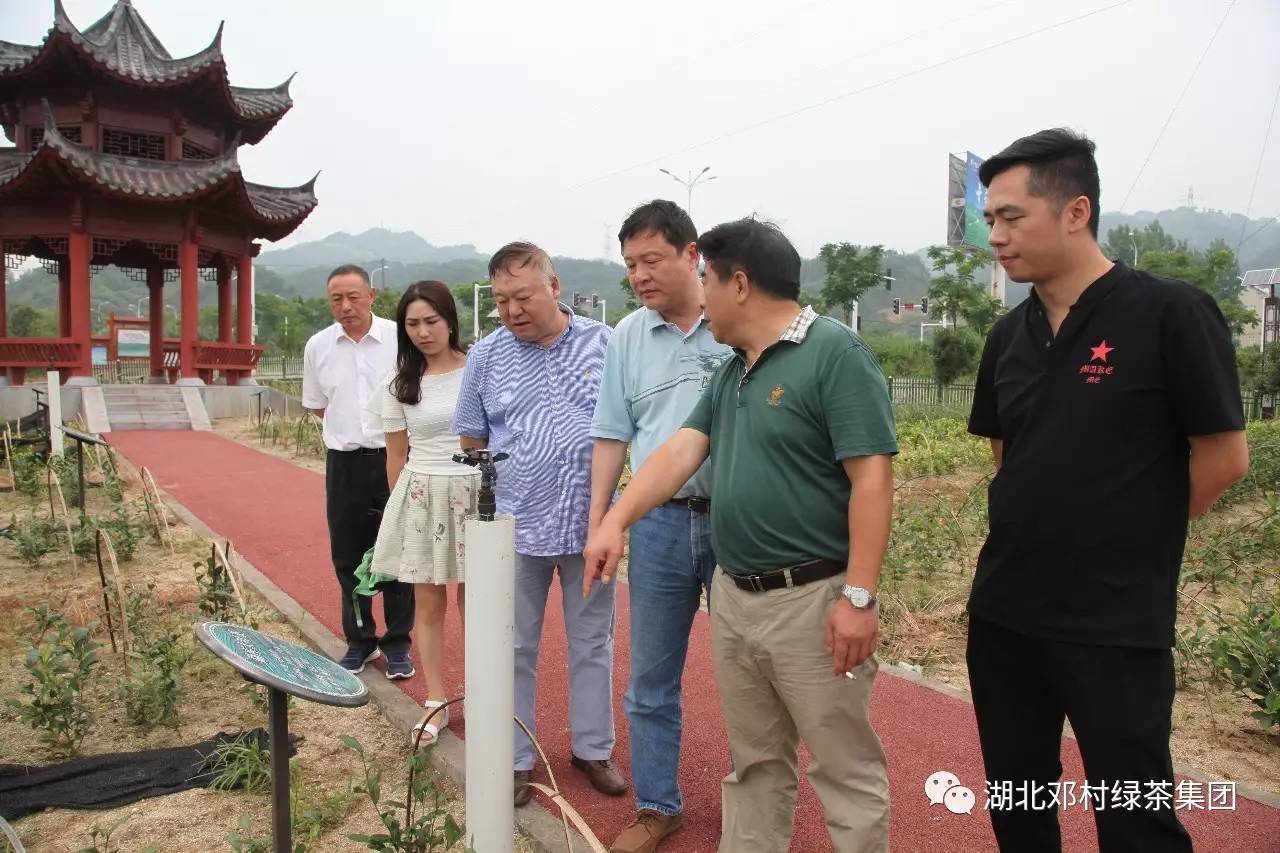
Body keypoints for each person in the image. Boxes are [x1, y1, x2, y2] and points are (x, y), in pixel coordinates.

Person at [966, 128, 1250, 852]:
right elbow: (1011, 458)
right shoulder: (1008, 337)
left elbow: (1224, 457)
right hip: (1006, 616)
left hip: (1116, 622)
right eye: (990, 218)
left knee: (1136, 816)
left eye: (1011, 216)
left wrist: (1130, 531)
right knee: (1019, 803)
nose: (995, 234)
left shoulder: (1168, 314)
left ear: (1075, 211)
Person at [585, 218, 897, 853]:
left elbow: (873, 482)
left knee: (843, 769)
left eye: (707, 277)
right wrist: (616, 519)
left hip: (810, 599)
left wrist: (859, 598)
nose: (702, 289)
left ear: (740, 283)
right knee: (755, 766)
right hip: (736, 597)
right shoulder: (736, 370)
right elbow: (680, 452)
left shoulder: (835, 353)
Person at [452, 241, 628, 807]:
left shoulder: (607, 344)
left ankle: (592, 749)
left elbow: (627, 429)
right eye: (501, 300)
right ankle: (514, 757)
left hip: (590, 525)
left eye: (522, 296)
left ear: (554, 287)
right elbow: (472, 437)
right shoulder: (485, 357)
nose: (510, 310)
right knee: (513, 645)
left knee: (593, 641)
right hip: (514, 528)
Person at [587, 200, 730, 853]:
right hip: (659, 527)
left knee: (754, 672)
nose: (639, 275)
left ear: (691, 253)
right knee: (650, 676)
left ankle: (759, 804)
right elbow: (613, 435)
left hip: (738, 522)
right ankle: (657, 806)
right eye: (629, 265)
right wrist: (602, 523)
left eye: (651, 260)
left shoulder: (735, 320)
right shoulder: (627, 337)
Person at [366, 281, 478, 744]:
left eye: (431, 321)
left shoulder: (478, 369)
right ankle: (435, 700)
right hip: (422, 495)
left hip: (476, 491)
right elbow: (396, 455)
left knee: (478, 603)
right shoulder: (398, 384)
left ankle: (481, 694)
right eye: (412, 323)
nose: (423, 332)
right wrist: (401, 509)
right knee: (428, 605)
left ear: (449, 320)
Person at [302, 264, 415, 678]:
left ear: (371, 295)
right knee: (348, 556)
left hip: (396, 459)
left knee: (399, 555)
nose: (345, 306)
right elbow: (317, 403)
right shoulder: (318, 346)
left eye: (353, 296)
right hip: (345, 464)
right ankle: (360, 640)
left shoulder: (399, 338)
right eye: (336, 299)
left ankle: (399, 643)